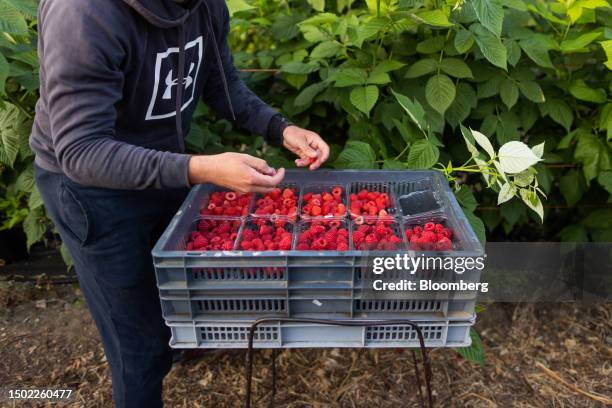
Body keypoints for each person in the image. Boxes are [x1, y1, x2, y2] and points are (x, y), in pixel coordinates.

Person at [29, 0, 330, 406]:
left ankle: (176, 346)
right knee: (137, 344)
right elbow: (82, 151)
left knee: (177, 295)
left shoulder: (202, 5)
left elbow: (222, 84)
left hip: (165, 162)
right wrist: (202, 167)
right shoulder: (84, 13)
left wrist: (280, 127)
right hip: (91, 189)